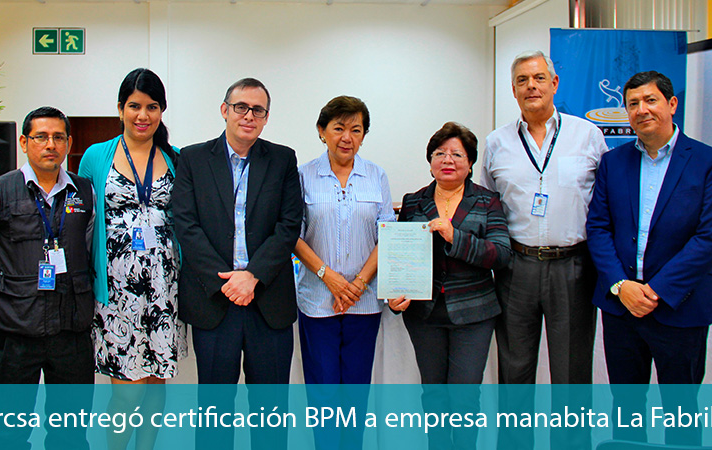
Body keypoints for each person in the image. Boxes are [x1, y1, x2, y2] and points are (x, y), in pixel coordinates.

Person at [586, 70, 712, 445]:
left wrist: (655, 291)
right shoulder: (613, 162)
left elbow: (710, 239)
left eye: (650, 100)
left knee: (681, 410)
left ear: (671, 104)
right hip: (621, 308)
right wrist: (621, 286)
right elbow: (598, 228)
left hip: (679, 307)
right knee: (626, 408)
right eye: (633, 103)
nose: (641, 110)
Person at [481, 50, 607, 450]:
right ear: (513, 90)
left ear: (554, 84)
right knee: (514, 370)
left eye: (538, 78)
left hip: (573, 266)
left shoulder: (588, 135)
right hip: (515, 268)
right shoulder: (496, 143)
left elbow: (606, 204)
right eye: (522, 80)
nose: (531, 86)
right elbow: (488, 207)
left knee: (572, 372)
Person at [173, 77, 303, 450]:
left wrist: (253, 276)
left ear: (266, 118)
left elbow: (289, 225)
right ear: (224, 110)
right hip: (215, 302)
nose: (249, 116)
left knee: (270, 411)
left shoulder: (282, 159)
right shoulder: (193, 159)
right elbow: (186, 224)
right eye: (241, 107)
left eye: (257, 110)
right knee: (215, 411)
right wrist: (227, 282)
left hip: (268, 302)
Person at [0, 106, 95, 450]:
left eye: (58, 137)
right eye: (41, 137)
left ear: (68, 143)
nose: (50, 144)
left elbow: (88, 248)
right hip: (15, 333)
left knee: (70, 432)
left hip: (71, 331)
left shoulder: (85, 192)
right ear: (23, 142)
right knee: (8, 432)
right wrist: (9, 289)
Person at [78, 68, 186, 450]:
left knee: (156, 386)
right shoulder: (96, 156)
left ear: (162, 111)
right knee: (126, 393)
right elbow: (80, 220)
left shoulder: (175, 158)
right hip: (116, 294)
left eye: (152, 107)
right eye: (135, 106)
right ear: (120, 108)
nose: (143, 115)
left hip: (164, 292)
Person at [389, 122, 510, 450]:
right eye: (439, 153)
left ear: (470, 163)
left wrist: (456, 237)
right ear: (430, 161)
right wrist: (395, 295)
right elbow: (400, 256)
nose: (447, 160)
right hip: (424, 313)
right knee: (433, 395)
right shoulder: (413, 201)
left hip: (474, 313)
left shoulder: (487, 201)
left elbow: (501, 254)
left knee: (465, 397)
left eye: (457, 154)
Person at [294, 96, 395, 450]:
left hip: (363, 303)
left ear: (364, 135)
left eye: (356, 129)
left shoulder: (376, 176)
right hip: (317, 302)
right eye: (338, 128)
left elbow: (386, 233)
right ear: (322, 131)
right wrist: (330, 278)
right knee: (322, 394)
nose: (347, 137)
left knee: (355, 392)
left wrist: (358, 283)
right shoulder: (303, 175)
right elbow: (293, 235)